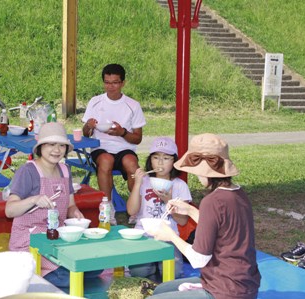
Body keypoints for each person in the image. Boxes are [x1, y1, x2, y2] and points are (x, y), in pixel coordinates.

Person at [147, 133, 261, 299]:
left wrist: (170, 235)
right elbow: (224, 228)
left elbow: (198, 259)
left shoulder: (212, 201)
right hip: (243, 284)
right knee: (161, 290)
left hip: (224, 290)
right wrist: (190, 210)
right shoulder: (237, 193)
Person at [5, 122, 101, 288]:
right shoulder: (28, 171)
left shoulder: (65, 170)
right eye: (51, 144)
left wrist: (76, 214)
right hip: (31, 243)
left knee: (96, 266)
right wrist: (33, 199)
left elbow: (70, 205)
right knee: (69, 276)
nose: (57, 150)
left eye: (61, 145)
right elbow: (9, 210)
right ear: (40, 147)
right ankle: (42, 276)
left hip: (57, 240)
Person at [82, 63, 146, 224]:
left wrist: (122, 132)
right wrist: (89, 126)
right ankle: (107, 207)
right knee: (106, 160)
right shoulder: (95, 102)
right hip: (101, 148)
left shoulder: (132, 105)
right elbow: (86, 133)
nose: (111, 87)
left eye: (115, 82)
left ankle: (136, 208)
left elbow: (138, 138)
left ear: (123, 83)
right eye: (107, 82)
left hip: (125, 148)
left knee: (132, 164)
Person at [127, 137, 191, 280]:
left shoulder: (180, 185)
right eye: (156, 157)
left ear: (174, 161)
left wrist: (168, 200)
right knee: (139, 272)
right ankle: (151, 268)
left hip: (169, 237)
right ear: (150, 161)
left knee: (173, 273)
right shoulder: (143, 182)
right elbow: (131, 211)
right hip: (142, 236)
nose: (160, 162)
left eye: (166, 158)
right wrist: (137, 183)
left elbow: (182, 221)